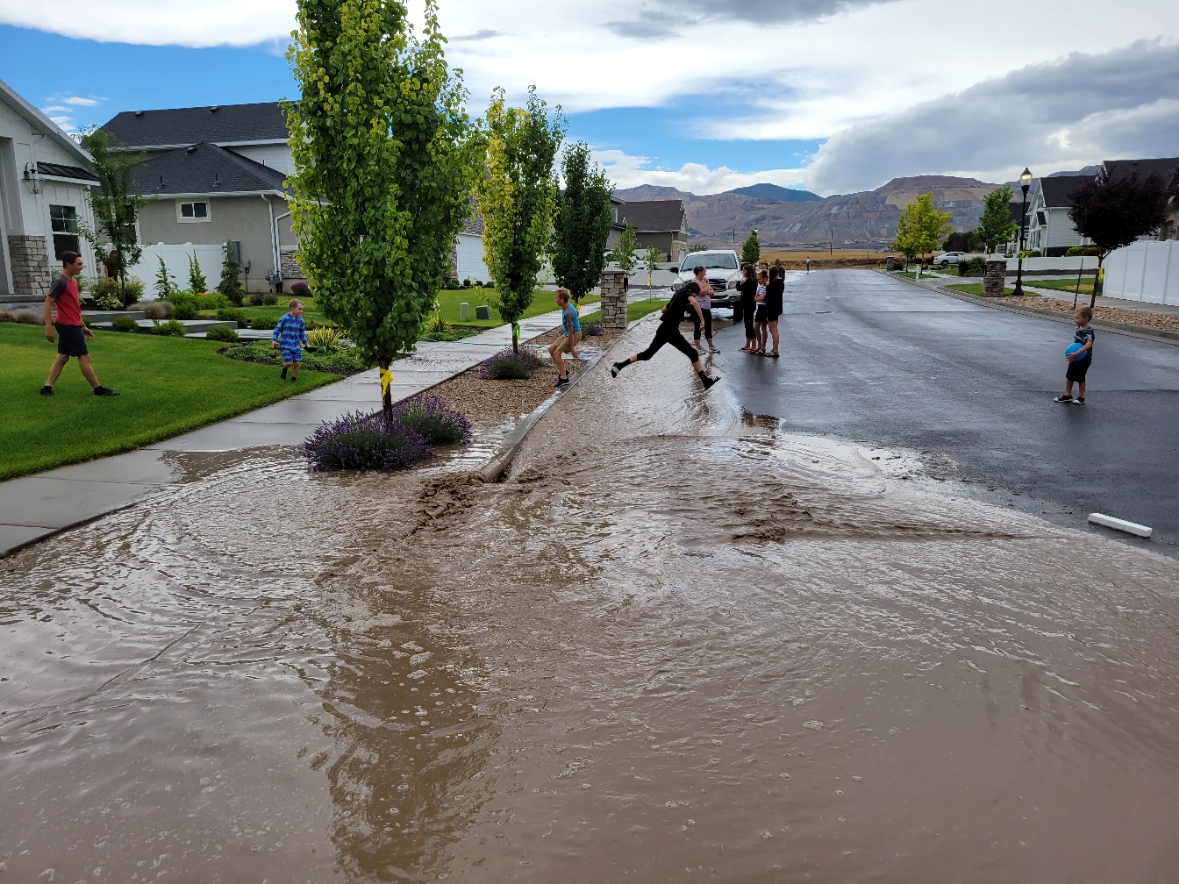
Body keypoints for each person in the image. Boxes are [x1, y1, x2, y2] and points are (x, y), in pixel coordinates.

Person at [611, 281, 719, 390]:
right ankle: (706, 381)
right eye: (694, 295)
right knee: (692, 353)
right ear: (691, 291)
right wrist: (702, 320)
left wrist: (676, 310)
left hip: (665, 330)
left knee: (648, 354)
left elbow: (664, 309)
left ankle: (619, 365)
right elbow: (694, 303)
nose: (694, 298)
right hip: (670, 330)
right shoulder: (686, 293)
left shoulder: (678, 295)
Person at [40, 251, 119, 397]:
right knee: (84, 357)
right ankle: (98, 390)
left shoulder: (73, 281)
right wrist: (48, 327)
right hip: (67, 325)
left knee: (63, 357)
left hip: (73, 324)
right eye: (79, 264)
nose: (82, 267)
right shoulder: (60, 281)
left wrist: (82, 326)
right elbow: (48, 302)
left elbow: (74, 307)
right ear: (68, 264)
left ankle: (47, 388)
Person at [1055, 306, 1095, 404]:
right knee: (1070, 376)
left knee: (1080, 377)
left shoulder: (1089, 330)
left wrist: (1076, 353)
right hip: (1075, 357)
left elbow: (1088, 344)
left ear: (1086, 319)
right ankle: (1067, 395)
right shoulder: (1078, 328)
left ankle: (1081, 397)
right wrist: (1073, 354)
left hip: (1084, 358)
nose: (1075, 320)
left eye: (1077, 318)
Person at [549, 288, 581, 387]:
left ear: (562, 300)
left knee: (557, 353)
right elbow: (576, 314)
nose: (555, 300)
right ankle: (564, 371)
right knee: (551, 349)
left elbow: (571, 332)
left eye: (556, 298)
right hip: (568, 333)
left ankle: (564, 379)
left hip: (574, 334)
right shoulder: (566, 307)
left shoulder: (568, 312)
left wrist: (572, 348)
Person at [271, 299, 309, 381]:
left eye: (302, 309)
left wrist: (305, 342)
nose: (302, 311)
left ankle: (293, 380)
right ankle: (284, 369)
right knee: (289, 363)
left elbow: (301, 333)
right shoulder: (285, 318)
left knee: (297, 363)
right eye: (299, 309)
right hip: (285, 345)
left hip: (296, 345)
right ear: (292, 308)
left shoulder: (300, 320)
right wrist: (274, 340)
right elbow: (277, 330)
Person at [690, 265, 719, 354]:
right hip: (698, 308)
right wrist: (706, 284)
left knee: (708, 327)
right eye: (704, 272)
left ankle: (711, 346)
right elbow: (701, 292)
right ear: (700, 273)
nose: (705, 274)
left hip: (706, 307)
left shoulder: (704, 281)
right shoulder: (695, 282)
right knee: (698, 327)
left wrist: (706, 289)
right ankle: (698, 348)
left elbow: (712, 292)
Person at [736, 263, 758, 352]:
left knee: (749, 324)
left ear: (748, 271)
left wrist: (738, 281)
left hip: (748, 304)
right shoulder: (753, 280)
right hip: (750, 304)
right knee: (747, 324)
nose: (743, 272)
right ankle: (748, 344)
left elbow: (739, 288)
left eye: (744, 271)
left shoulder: (750, 281)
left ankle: (753, 345)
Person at [763, 265, 784, 358]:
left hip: (772, 307)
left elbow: (768, 293)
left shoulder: (773, 284)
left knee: (773, 329)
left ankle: (775, 350)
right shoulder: (780, 282)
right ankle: (775, 348)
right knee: (775, 329)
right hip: (777, 307)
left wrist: (768, 285)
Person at [753, 269, 769, 355]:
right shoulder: (759, 286)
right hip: (759, 307)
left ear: (765, 278)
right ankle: (759, 345)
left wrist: (759, 298)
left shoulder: (768, 286)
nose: (758, 281)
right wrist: (759, 298)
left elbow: (763, 297)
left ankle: (763, 347)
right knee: (756, 327)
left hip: (765, 307)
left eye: (760, 279)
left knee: (763, 327)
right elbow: (755, 298)